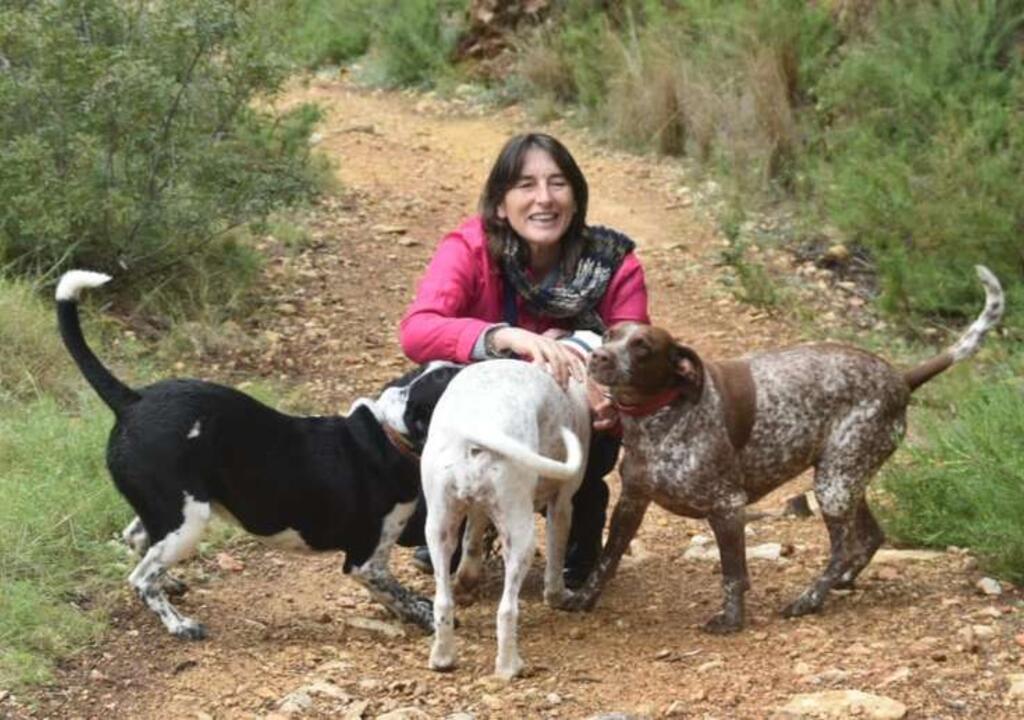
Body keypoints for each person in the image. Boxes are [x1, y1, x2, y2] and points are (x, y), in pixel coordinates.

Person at [399, 132, 649, 587]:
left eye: (558, 184)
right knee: (428, 394)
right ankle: (456, 513)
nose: (544, 199)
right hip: (486, 413)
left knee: (598, 419)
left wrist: (592, 369)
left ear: (577, 198)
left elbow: (635, 352)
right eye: (525, 185)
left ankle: (579, 522)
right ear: (500, 204)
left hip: (567, 421)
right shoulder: (471, 248)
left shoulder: (614, 265)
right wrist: (505, 337)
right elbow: (417, 331)